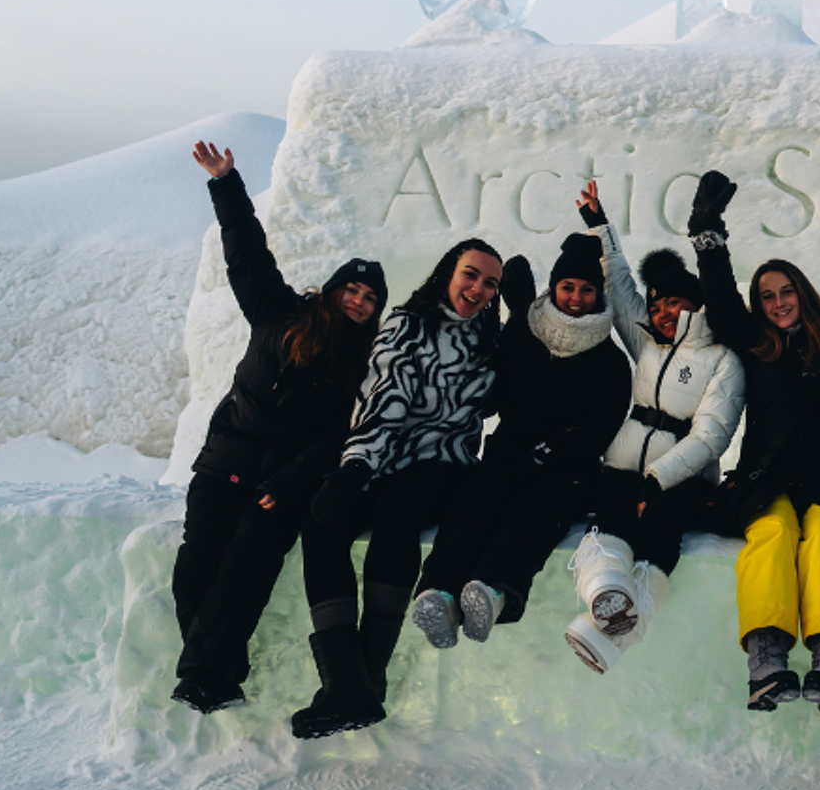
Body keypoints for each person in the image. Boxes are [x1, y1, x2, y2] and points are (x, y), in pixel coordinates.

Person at [170, 141, 386, 714]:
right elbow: (246, 254)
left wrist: (288, 485)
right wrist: (226, 183)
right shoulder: (277, 311)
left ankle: (205, 678)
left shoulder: (363, 366)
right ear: (335, 288)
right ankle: (216, 670)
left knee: (246, 571)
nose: (359, 301)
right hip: (224, 463)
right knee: (196, 565)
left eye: (369, 299)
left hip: (281, 485)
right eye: (352, 289)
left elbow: (338, 436)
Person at [289, 237, 504, 739]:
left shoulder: (491, 341)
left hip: (443, 461)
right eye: (470, 274)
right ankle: (347, 683)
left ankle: (364, 680)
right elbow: (383, 398)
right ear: (449, 272)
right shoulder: (406, 324)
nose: (477, 288)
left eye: (490, 283)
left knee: (397, 518)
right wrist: (358, 465)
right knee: (320, 525)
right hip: (381, 454)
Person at [682, 171, 820, 713]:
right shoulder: (755, 343)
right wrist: (707, 231)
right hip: (765, 483)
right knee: (772, 535)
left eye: (785, 291)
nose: (777, 302)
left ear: (802, 291)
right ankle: (767, 664)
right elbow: (720, 302)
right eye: (766, 296)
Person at [408, 228, 631, 650]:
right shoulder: (525, 333)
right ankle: (438, 593)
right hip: (506, 454)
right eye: (567, 287)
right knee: (471, 508)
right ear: (555, 288)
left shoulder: (611, 361)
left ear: (599, 295)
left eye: (586, 290)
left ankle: (492, 595)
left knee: (530, 519)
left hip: (567, 471)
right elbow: (494, 395)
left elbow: (602, 427)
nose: (576, 298)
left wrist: (555, 449)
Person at [564, 181, 746, 675]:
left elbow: (711, 434)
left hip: (683, 473)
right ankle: (606, 592)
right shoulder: (648, 343)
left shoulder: (722, 358)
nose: (664, 312)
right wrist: (599, 228)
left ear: (697, 304)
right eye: (659, 304)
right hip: (625, 458)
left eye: (675, 304)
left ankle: (619, 633)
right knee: (609, 515)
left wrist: (658, 478)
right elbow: (620, 286)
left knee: (661, 527)